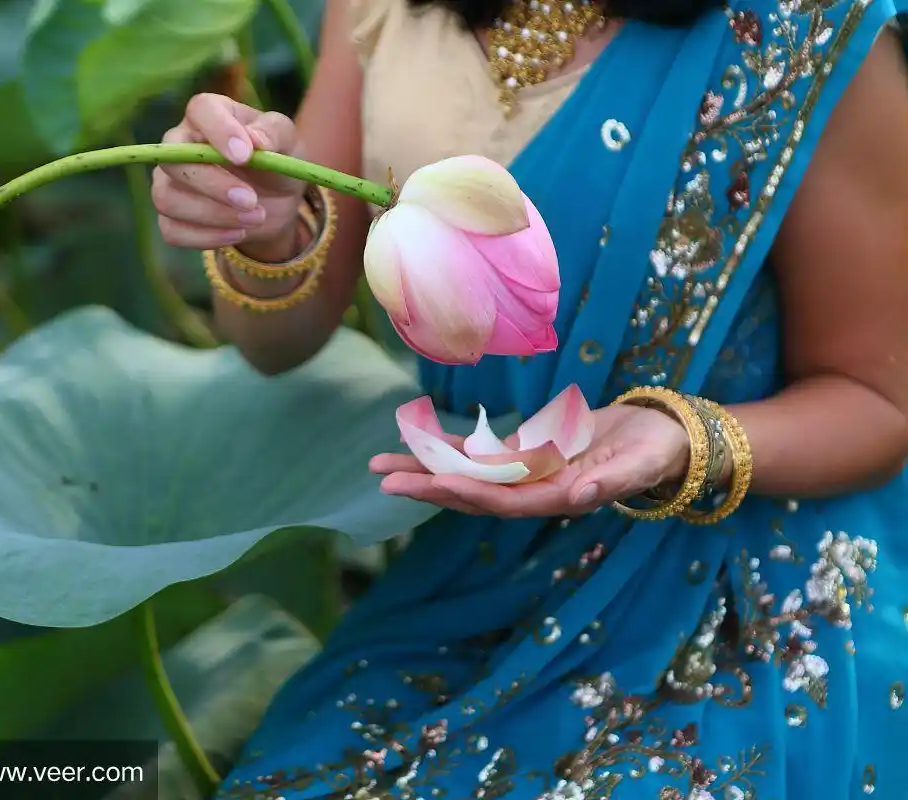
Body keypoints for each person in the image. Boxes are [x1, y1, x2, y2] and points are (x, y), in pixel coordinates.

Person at [150, 0, 908, 796]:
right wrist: (259, 223)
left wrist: (677, 439)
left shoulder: (810, 26)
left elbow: (878, 402)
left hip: (736, 590)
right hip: (477, 574)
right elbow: (278, 339)